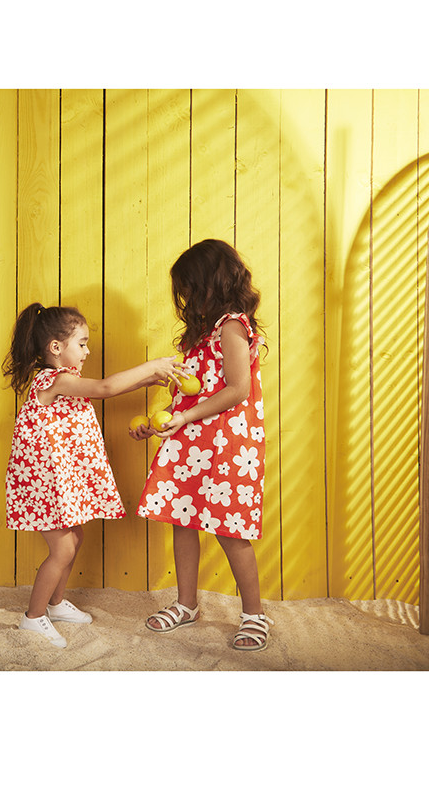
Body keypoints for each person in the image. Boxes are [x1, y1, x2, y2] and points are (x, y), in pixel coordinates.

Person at [3, 302, 182, 648]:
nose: (88, 351)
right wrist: (151, 366)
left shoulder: (66, 381)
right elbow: (104, 389)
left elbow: (105, 389)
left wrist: (152, 378)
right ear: (56, 348)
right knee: (62, 550)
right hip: (45, 482)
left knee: (74, 541)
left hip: (59, 479)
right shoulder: (53, 380)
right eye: (82, 343)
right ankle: (33, 616)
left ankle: (54, 605)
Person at [130, 239, 273, 650]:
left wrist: (186, 417)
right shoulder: (201, 334)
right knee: (183, 521)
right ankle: (187, 603)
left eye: (190, 288)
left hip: (227, 443)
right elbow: (191, 394)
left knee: (231, 532)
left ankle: (253, 615)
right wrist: (160, 422)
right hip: (191, 439)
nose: (186, 298)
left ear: (213, 282)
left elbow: (237, 389)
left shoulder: (232, 325)